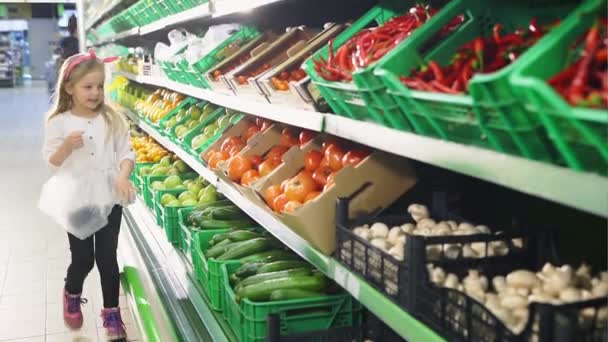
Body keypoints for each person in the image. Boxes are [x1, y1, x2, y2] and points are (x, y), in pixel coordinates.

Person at [40, 50, 135, 341]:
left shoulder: (113, 119)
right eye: (87, 87)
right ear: (69, 88)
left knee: (107, 258)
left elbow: (126, 152)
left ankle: (111, 314)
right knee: (83, 260)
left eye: (99, 86)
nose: (95, 92)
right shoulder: (58, 122)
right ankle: (72, 292)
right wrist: (66, 147)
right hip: (77, 200)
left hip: (109, 197)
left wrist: (122, 175)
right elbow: (52, 160)